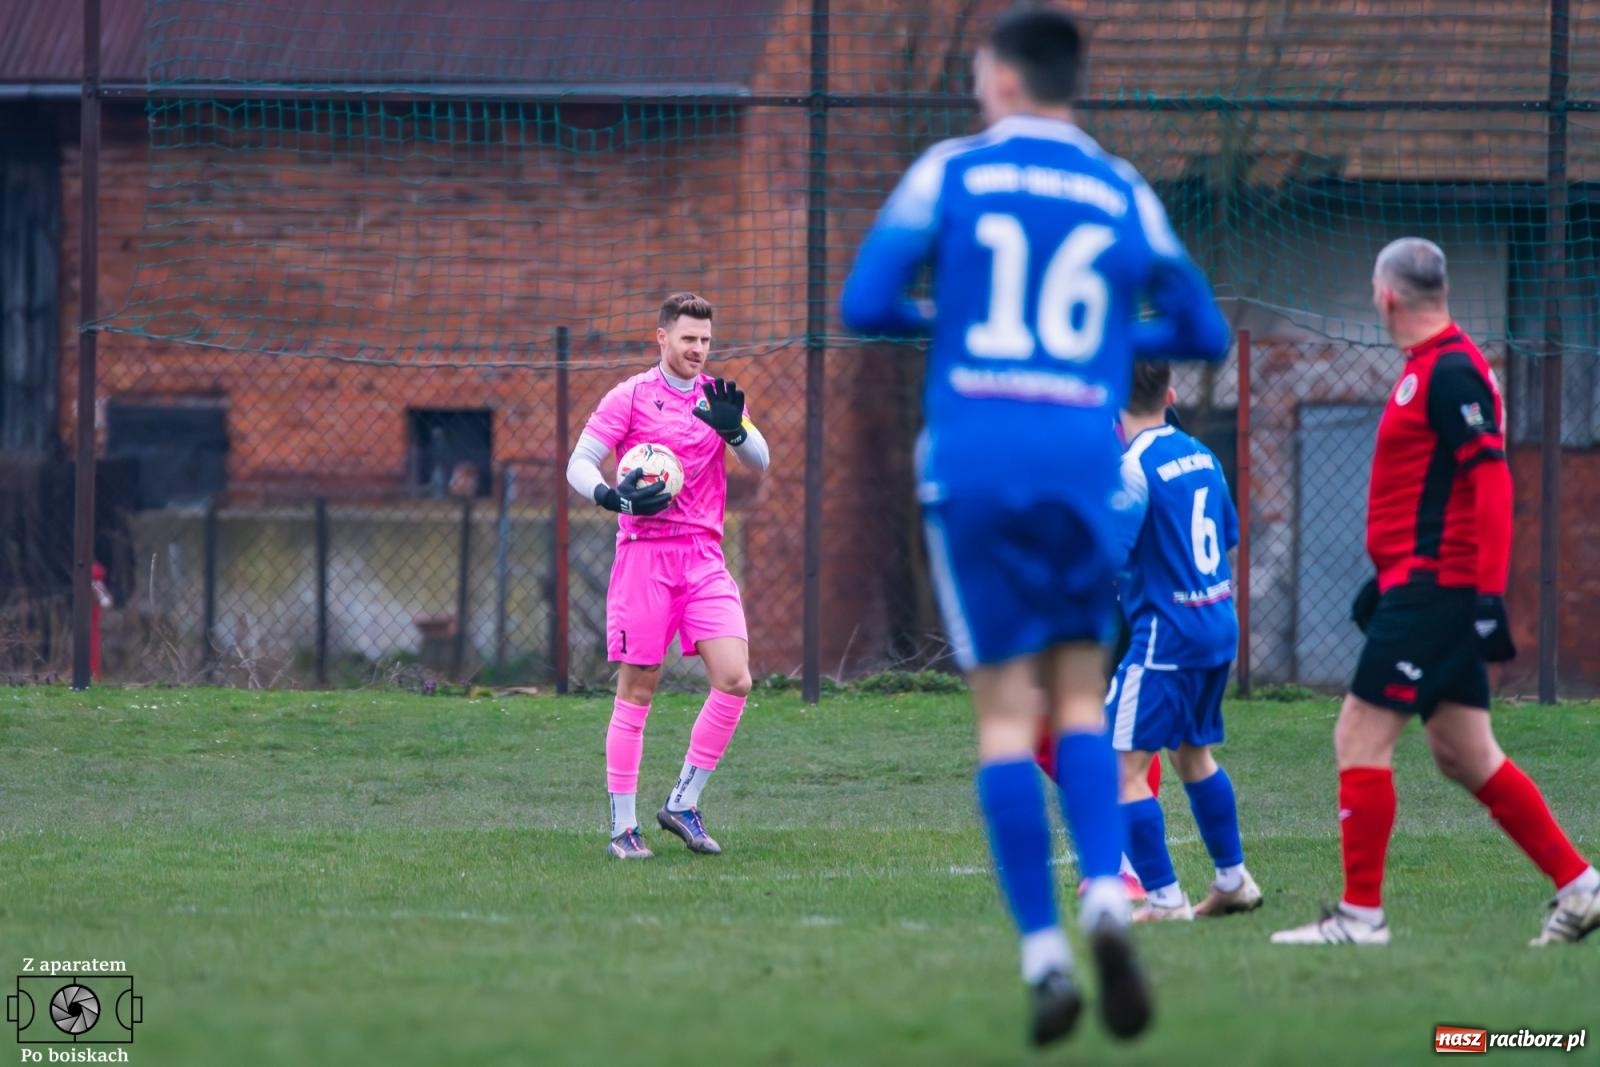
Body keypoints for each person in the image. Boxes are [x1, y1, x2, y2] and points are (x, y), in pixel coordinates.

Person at [840, 7, 1229, 1046]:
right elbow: (1202, 329)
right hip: (1075, 456)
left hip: (973, 458)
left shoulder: (949, 171)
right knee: (1076, 699)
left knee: (1004, 716)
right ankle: (1109, 890)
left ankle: (1046, 954)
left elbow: (865, 299)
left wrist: (956, 323)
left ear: (1001, 79)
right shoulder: (1118, 187)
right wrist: (1103, 340)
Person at [1271, 238, 1600, 946]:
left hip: (1436, 589)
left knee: (1358, 732)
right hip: (1419, 585)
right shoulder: (1434, 367)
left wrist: (1484, 595)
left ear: (1386, 296)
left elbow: (1491, 480)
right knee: (1464, 752)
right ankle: (1580, 886)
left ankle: (1361, 917)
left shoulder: (1451, 370)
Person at [566, 292, 771, 861]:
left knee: (735, 679)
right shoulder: (629, 397)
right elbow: (578, 462)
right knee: (637, 691)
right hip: (644, 557)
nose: (699, 350)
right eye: (688, 339)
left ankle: (682, 803)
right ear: (662, 338)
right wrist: (611, 496)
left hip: (704, 558)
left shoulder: (717, 398)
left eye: (706, 340)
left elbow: (761, 459)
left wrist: (734, 431)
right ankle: (622, 828)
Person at [1108, 361, 1261, 922]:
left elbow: (1110, 555)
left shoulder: (1132, 468)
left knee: (1120, 769)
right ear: (1171, 394)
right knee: (1192, 754)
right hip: (1217, 624)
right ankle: (1233, 880)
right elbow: (1228, 536)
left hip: (1166, 637)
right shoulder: (1203, 455)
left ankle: (1165, 900)